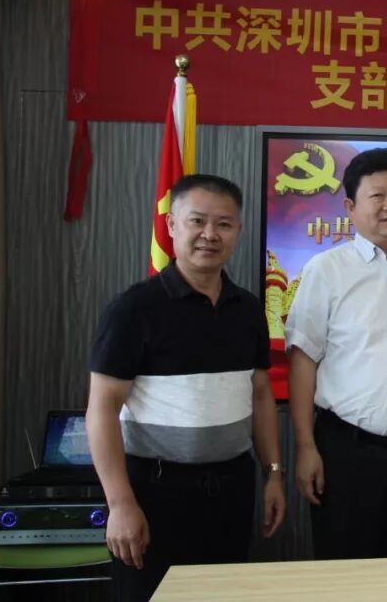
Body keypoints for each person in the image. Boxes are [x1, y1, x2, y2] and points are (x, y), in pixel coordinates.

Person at [86, 174, 286, 601]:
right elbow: (101, 409)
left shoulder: (248, 309)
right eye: (197, 221)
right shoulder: (133, 309)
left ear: (238, 230)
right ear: (172, 225)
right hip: (154, 492)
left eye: (224, 224)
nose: (210, 234)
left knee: (223, 595)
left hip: (231, 488)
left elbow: (260, 395)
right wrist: (120, 504)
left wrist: (272, 474)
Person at [285, 147, 387, 559]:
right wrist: (305, 447)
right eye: (377, 196)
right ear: (350, 207)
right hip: (348, 453)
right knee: (347, 572)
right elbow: (303, 362)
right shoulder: (326, 270)